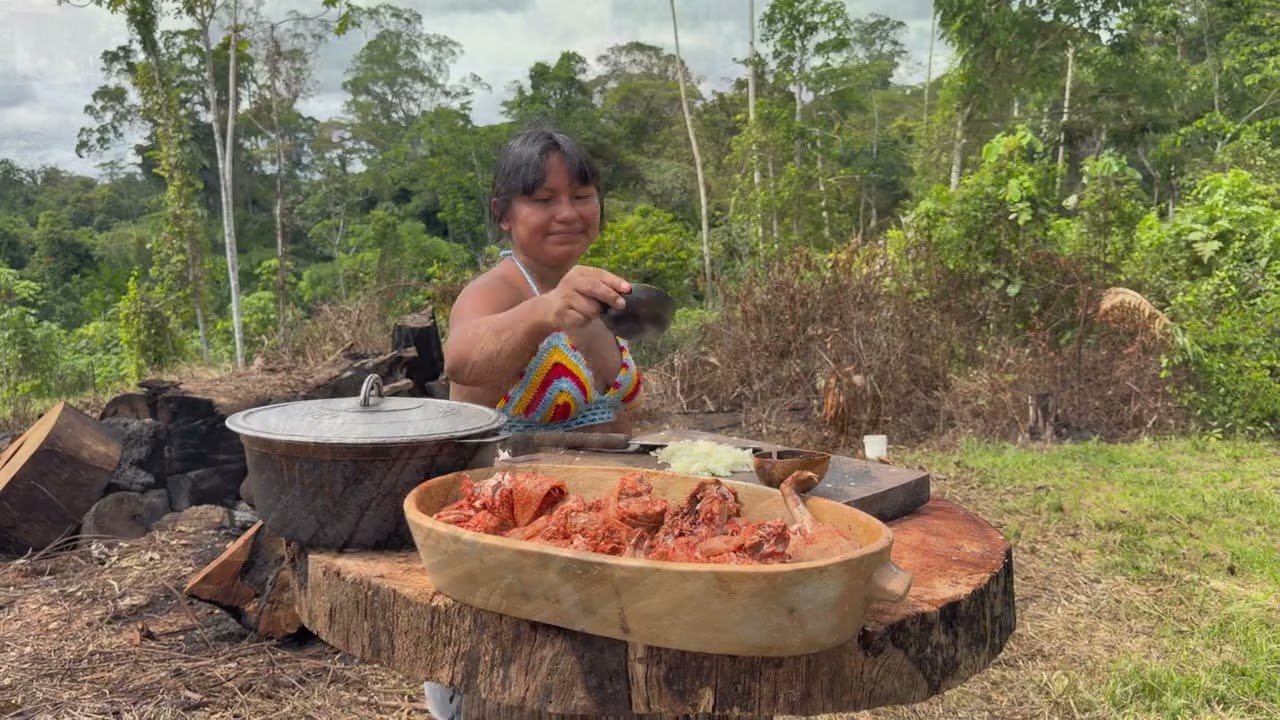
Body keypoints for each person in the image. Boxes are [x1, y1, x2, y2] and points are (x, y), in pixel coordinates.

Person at [422, 126, 645, 720]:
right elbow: (463, 360)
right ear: (504, 214)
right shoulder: (491, 293)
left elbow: (620, 409)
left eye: (582, 194)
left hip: (599, 538)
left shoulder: (594, 292)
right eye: (543, 200)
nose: (567, 213)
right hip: (515, 551)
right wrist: (541, 314)